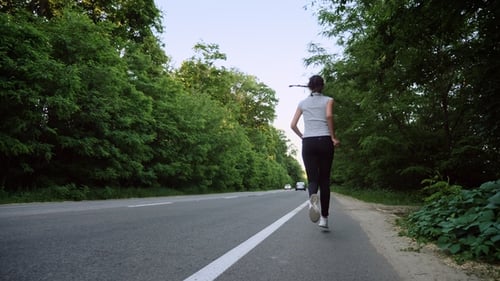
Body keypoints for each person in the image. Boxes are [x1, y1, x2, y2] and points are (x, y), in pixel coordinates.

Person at [290, 75, 340, 229]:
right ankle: (324, 218)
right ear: (322, 86)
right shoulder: (328, 100)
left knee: (313, 180)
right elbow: (329, 116)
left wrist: (303, 136)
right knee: (324, 180)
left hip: (309, 142)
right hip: (325, 140)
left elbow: (292, 125)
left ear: (309, 87)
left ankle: (312, 198)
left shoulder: (303, 103)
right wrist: (333, 137)